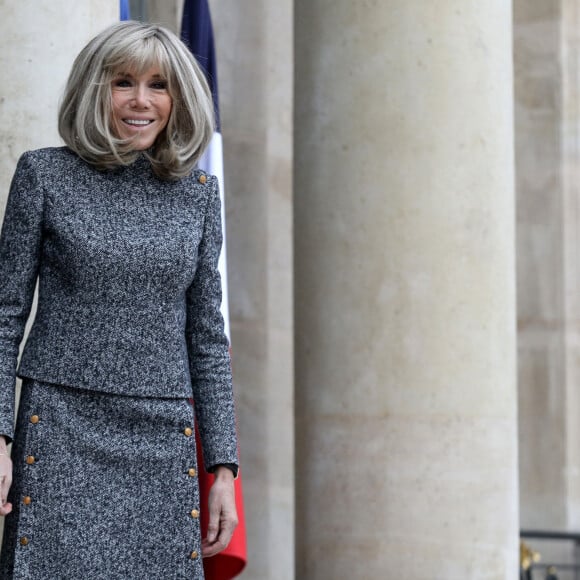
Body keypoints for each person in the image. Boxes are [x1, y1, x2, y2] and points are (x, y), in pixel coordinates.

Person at [0, 20, 239, 579]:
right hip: (60, 428)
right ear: (94, 89)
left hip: (162, 440)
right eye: (123, 82)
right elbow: (4, 315)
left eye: (158, 85)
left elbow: (207, 337)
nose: (141, 101)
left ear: (177, 98)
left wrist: (223, 468)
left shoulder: (199, 197)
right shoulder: (43, 175)